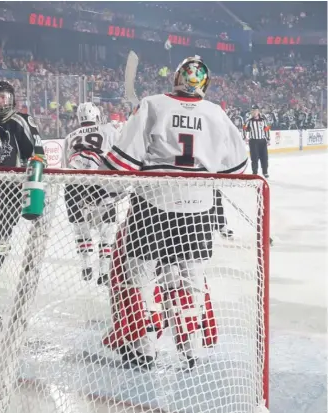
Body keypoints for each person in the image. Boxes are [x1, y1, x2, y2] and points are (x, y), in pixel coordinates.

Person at [100, 56, 247, 369]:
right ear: (204, 84)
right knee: (191, 275)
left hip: (154, 202)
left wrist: (107, 191)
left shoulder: (153, 104)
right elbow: (237, 165)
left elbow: (123, 160)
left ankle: (145, 346)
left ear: (176, 77)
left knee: (141, 273)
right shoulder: (217, 112)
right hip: (199, 206)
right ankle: (190, 348)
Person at [0, 80, 45, 333]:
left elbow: (37, 155)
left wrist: (34, 188)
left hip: (9, 195)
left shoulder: (21, 121)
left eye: (3, 98)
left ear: (12, 99)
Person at [63, 102, 119, 285]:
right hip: (101, 182)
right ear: (96, 116)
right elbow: (118, 155)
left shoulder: (70, 136)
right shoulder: (108, 130)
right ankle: (104, 270)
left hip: (74, 185)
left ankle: (86, 265)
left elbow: (64, 167)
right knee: (107, 228)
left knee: (80, 227)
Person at [244, 105, 270, 178]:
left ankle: (265, 172)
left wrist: (268, 139)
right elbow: (244, 128)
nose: (254, 112)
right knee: (254, 158)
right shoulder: (249, 121)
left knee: (264, 157)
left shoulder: (263, 120)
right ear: (251, 112)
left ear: (258, 111)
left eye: (255, 111)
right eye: (253, 111)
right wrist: (245, 137)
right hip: (253, 142)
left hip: (262, 141)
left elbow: (266, 129)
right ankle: (254, 173)